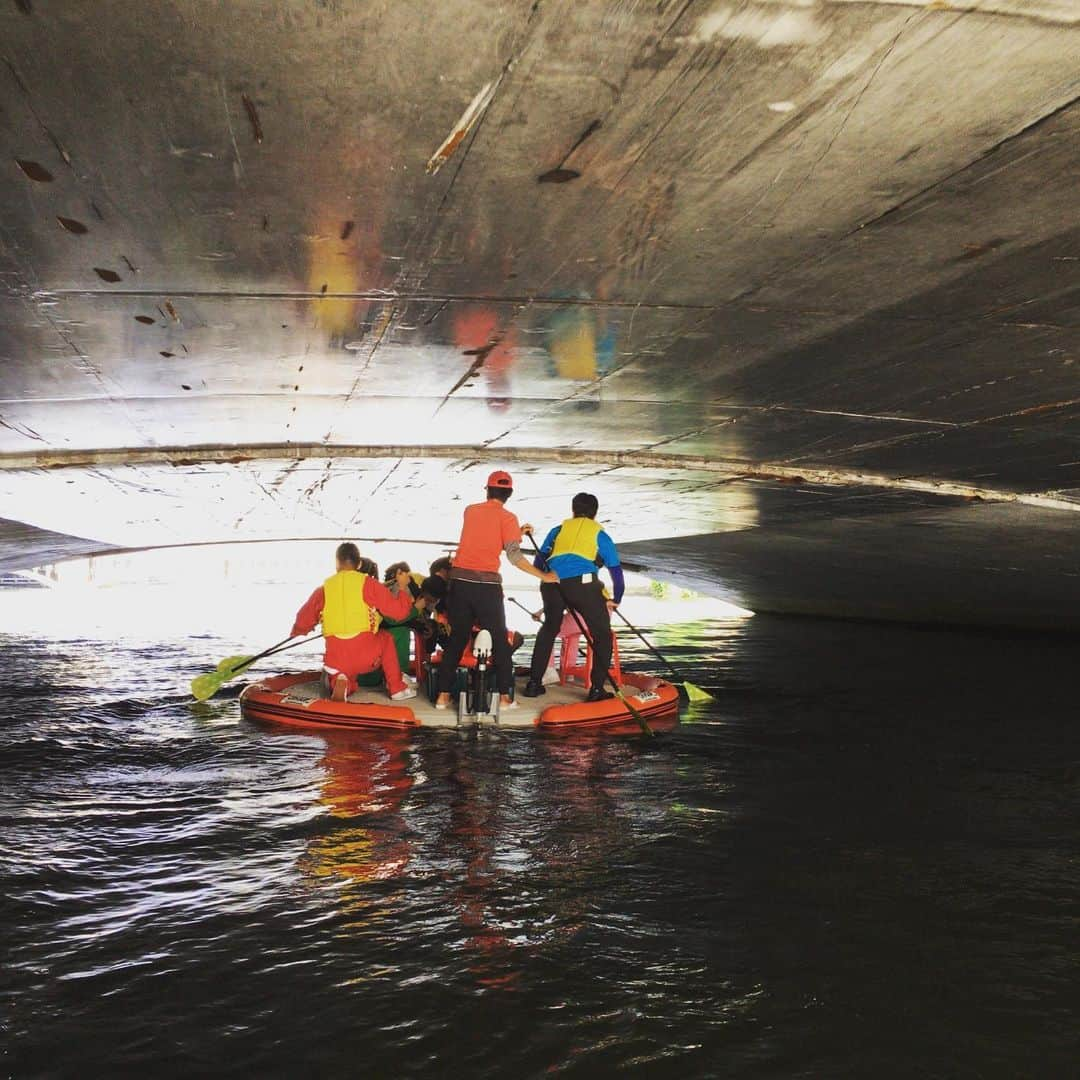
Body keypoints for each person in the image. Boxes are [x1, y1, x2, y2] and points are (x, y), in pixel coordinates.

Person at [434, 471, 557, 711]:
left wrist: (516, 533)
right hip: (487, 587)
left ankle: (443, 696)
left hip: (459, 583)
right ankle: (504, 697)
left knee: (457, 639)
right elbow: (514, 556)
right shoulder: (508, 518)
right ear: (509, 493)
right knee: (500, 641)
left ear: (487, 490)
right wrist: (544, 576)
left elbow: (484, 536)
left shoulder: (470, 511)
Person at [522, 492, 624, 702]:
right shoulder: (599, 534)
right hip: (583, 584)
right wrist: (618, 597)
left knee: (549, 628)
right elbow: (615, 569)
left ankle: (534, 684)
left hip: (551, 584)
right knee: (602, 635)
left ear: (573, 510)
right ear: (595, 514)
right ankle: (596, 689)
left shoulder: (557, 531)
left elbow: (539, 565)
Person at [292, 542, 418, 703]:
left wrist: (299, 630)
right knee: (386, 638)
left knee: (343, 668)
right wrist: (402, 588)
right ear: (359, 564)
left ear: (336, 564)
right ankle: (397, 689)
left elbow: (303, 621)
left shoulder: (323, 589)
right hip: (365, 657)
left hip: (336, 659)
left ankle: (342, 680)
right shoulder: (368, 584)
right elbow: (399, 613)